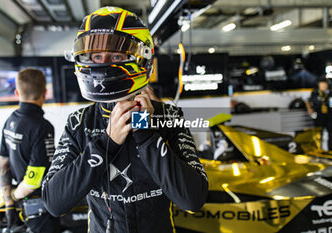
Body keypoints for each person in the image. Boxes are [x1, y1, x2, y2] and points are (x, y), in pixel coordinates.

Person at [42, 6, 209, 233]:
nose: (102, 63)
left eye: (116, 55)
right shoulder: (79, 122)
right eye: (96, 56)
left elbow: (192, 199)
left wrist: (145, 134)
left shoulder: (169, 116)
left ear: (142, 58)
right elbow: (54, 202)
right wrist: (104, 144)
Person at [0, 68, 57, 232]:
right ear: (45, 93)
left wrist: (9, 203)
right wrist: (14, 197)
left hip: (23, 206)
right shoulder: (43, 127)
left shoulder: (10, 121)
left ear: (17, 92)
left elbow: (2, 164)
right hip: (40, 210)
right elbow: (32, 181)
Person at [306, 77, 332, 151]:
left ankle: (330, 150)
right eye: (322, 85)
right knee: (319, 133)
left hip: (329, 114)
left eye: (325, 85)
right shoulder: (315, 93)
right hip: (319, 114)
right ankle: (319, 150)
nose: (323, 86)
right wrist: (309, 109)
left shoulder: (330, 92)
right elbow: (308, 101)